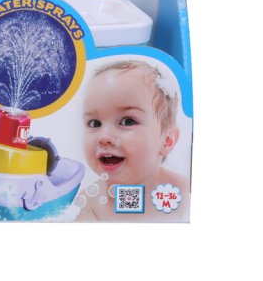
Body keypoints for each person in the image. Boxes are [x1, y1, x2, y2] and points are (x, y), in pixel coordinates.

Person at [76, 59, 189, 221]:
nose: (104, 136)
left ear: (166, 141)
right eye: (95, 123)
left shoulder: (184, 192)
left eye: (128, 121)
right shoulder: (89, 204)